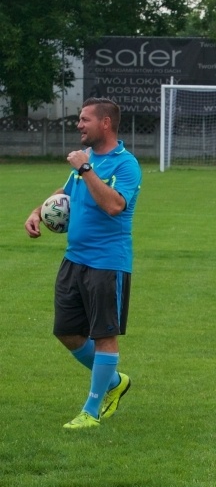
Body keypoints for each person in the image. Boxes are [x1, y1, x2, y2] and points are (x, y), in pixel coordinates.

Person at [24, 98, 141, 430]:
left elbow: (115, 205)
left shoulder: (125, 164)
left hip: (107, 262)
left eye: (84, 119)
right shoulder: (84, 161)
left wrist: (86, 169)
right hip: (74, 259)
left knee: (104, 335)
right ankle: (115, 381)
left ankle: (91, 411)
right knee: (67, 332)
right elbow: (66, 190)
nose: (79, 124)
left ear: (105, 123)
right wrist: (37, 211)